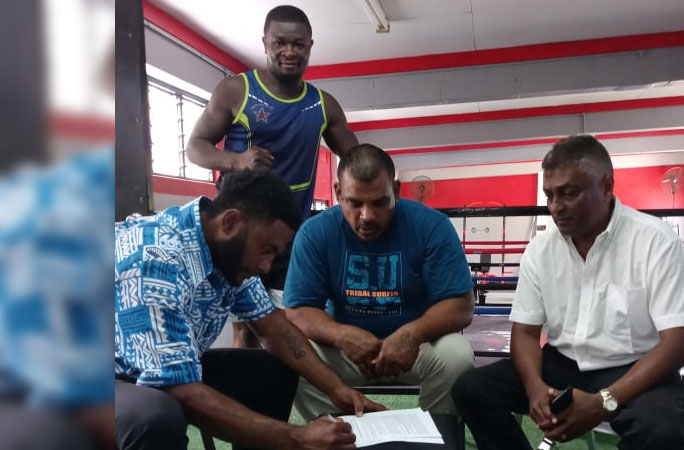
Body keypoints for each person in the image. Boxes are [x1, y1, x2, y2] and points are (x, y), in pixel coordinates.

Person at [114, 169, 384, 450]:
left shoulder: (225, 251)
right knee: (155, 415)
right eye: (266, 250)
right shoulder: (156, 263)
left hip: (155, 372)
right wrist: (297, 438)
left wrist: (336, 388)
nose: (266, 266)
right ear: (230, 222)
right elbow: (179, 390)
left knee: (272, 371)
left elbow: (274, 328)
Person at [452, 135, 684, 450]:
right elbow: (525, 333)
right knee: (472, 390)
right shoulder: (540, 250)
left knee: (659, 431)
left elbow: (679, 342)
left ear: (606, 187)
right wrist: (535, 387)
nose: (556, 207)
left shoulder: (656, 242)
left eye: (569, 193)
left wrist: (603, 401)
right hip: (562, 363)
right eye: (550, 195)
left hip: (634, 366)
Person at [186, 4, 358, 347]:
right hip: (240, 231)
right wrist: (236, 161)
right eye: (280, 43)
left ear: (310, 46)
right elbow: (195, 147)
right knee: (245, 327)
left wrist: (356, 203)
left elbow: (356, 160)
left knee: (291, 324)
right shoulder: (236, 90)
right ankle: (243, 381)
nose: (289, 52)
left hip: (291, 236)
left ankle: (288, 382)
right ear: (265, 43)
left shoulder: (323, 104)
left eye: (298, 44)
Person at [283, 144, 475, 421]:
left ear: (396, 191)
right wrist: (341, 335)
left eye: (379, 203)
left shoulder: (432, 226)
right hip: (346, 351)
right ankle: (341, 434)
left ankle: (434, 434)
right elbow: (298, 309)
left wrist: (412, 334)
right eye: (355, 203)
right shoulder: (315, 233)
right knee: (290, 356)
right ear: (338, 193)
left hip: (418, 347)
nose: (367, 216)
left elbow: (461, 305)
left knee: (456, 355)